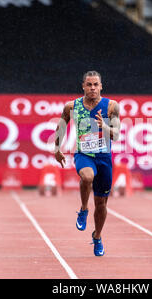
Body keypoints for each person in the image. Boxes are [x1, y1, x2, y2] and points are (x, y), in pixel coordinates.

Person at [54, 70, 120, 256]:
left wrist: (104, 126)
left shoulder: (112, 106)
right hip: (84, 153)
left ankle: (97, 236)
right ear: (83, 86)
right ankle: (83, 208)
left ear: (101, 86)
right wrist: (57, 148)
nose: (92, 88)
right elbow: (61, 126)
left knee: (101, 204)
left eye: (95, 84)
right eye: (89, 84)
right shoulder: (71, 106)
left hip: (104, 157)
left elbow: (117, 134)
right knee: (87, 176)